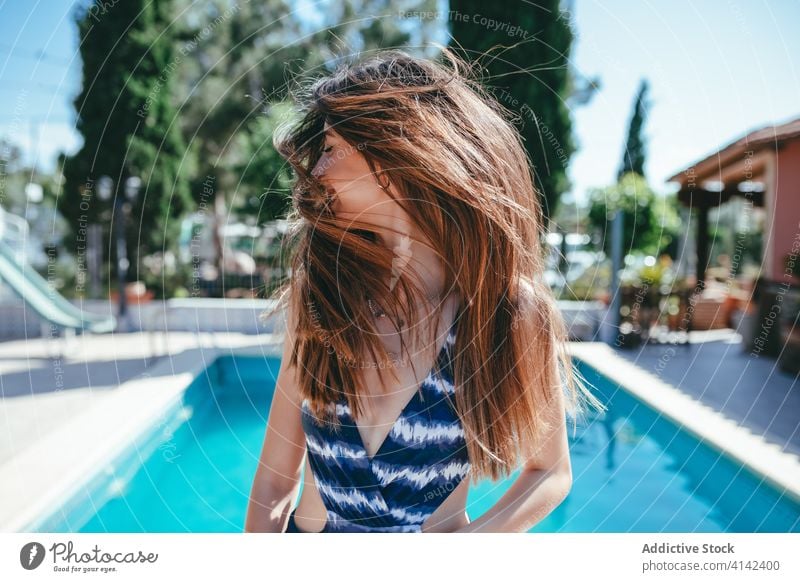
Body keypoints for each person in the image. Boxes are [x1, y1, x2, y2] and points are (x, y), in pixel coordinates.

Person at [245, 48, 604, 533]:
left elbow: (550, 472)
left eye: (330, 148)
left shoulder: (506, 311)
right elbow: (274, 483)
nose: (317, 171)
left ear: (392, 151)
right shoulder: (320, 295)